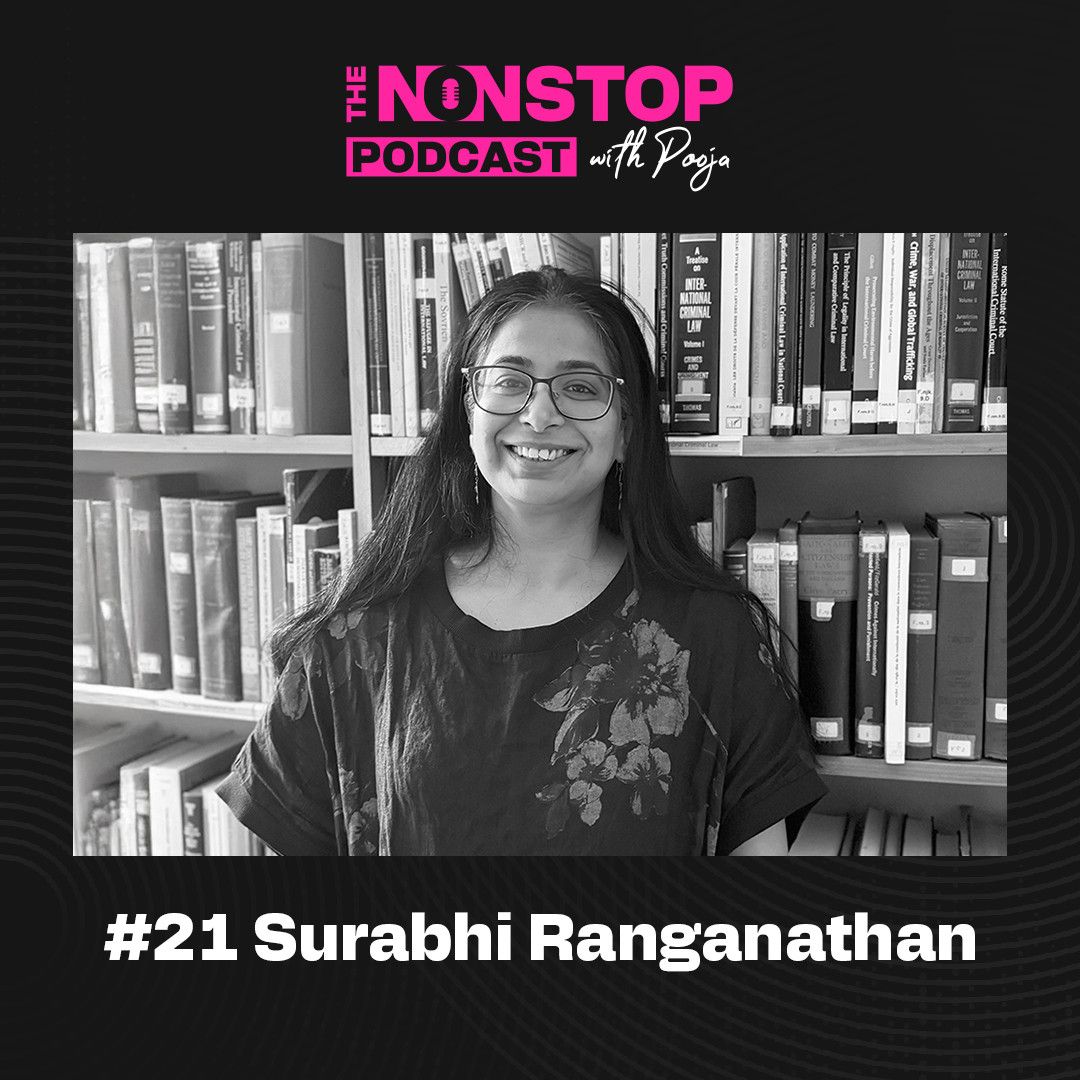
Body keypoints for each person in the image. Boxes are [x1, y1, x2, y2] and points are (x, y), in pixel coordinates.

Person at [217, 266, 827, 855]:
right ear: (468, 410)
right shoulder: (359, 633)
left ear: (627, 430)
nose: (538, 414)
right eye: (509, 381)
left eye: (580, 387)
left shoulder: (713, 635)